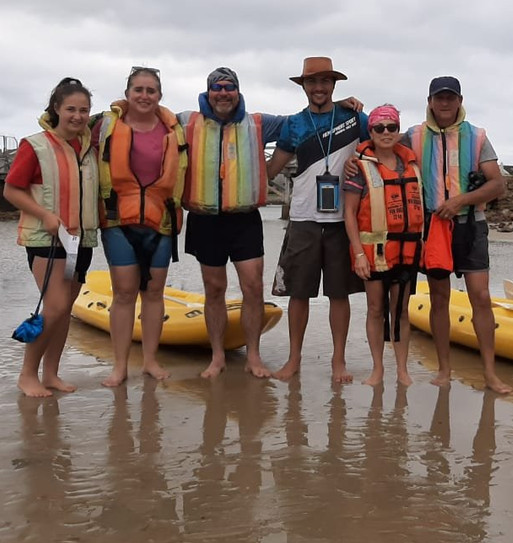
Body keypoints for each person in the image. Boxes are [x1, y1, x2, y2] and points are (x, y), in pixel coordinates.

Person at [408, 75, 512, 394]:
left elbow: (498, 184)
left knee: (481, 297)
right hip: (433, 228)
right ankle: (444, 370)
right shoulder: (413, 136)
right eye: (439, 97)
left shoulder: (477, 136)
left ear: (460, 100)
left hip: (471, 225)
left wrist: (460, 201)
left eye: (450, 97)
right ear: (429, 101)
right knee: (439, 299)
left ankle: (491, 375)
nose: (444, 103)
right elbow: (377, 148)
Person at [269, 56, 369, 384]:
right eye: (312, 82)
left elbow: (384, 144)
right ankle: (293, 359)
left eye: (325, 82)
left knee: (339, 294)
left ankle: (338, 361)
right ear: (304, 87)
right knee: (299, 294)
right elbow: (270, 170)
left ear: (334, 85)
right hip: (302, 218)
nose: (319, 88)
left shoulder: (356, 118)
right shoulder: (294, 124)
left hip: (344, 220)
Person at [181, 67, 284, 379]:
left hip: (244, 219)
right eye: (217, 88)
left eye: (229, 88)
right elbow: (145, 116)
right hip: (205, 218)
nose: (223, 93)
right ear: (208, 91)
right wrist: (121, 105)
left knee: (253, 286)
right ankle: (217, 356)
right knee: (214, 288)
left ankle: (253, 354)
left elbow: (301, 125)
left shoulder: (259, 123)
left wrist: (270, 169)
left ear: (238, 91)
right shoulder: (187, 121)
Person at [4, 77, 100, 398]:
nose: (77, 115)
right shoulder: (35, 145)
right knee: (55, 307)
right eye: (71, 108)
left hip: (79, 241)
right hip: (45, 239)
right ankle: (27, 374)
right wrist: (44, 214)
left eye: (84, 110)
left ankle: (52, 374)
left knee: (65, 308)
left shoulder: (89, 149)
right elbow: (11, 190)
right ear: (56, 108)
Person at [92, 66, 187, 387]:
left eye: (151, 91)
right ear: (128, 93)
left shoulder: (174, 130)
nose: (144, 96)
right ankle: (119, 366)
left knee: (154, 293)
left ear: (159, 95)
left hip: (161, 221)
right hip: (118, 220)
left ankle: (149, 360)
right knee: (123, 293)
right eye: (139, 90)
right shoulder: (107, 126)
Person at [343, 104, 424, 386]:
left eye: (392, 127)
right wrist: (357, 254)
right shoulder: (358, 167)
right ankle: (377, 369)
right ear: (371, 131)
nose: (386, 133)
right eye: (379, 128)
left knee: (401, 310)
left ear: (399, 131)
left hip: (406, 252)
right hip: (373, 254)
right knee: (376, 309)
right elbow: (349, 215)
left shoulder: (412, 165)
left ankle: (402, 370)